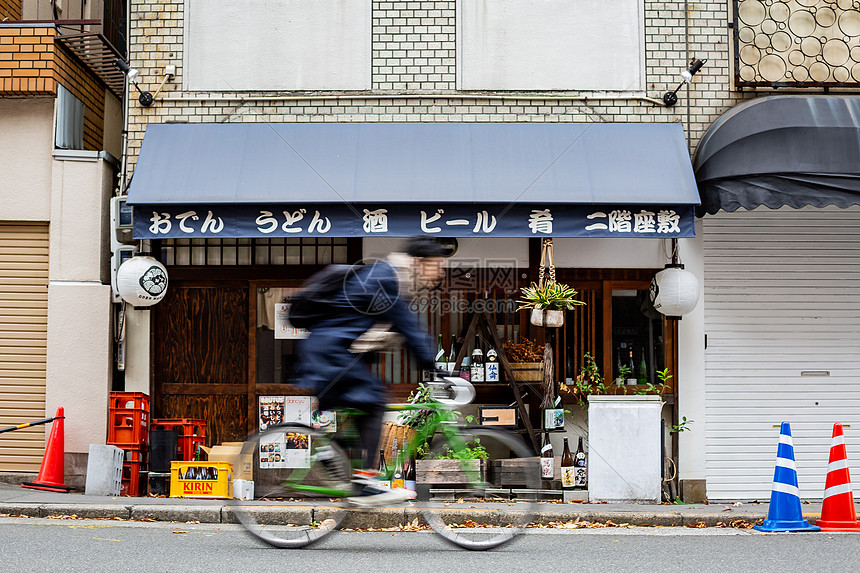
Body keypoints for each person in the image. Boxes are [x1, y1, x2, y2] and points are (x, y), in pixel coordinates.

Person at [296, 237, 446, 506]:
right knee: (375, 400)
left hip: (332, 353)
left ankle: (332, 453)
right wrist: (435, 367)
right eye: (438, 265)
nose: (441, 272)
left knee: (367, 404)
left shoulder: (389, 277)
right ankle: (365, 482)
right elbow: (407, 327)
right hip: (331, 354)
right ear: (420, 262)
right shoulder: (387, 278)